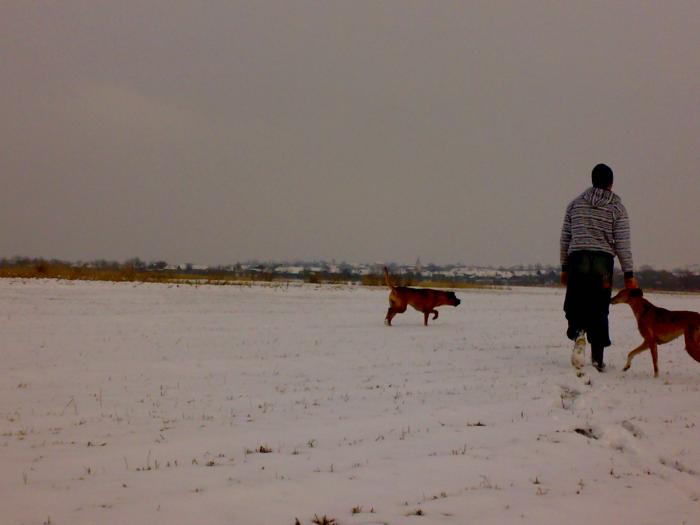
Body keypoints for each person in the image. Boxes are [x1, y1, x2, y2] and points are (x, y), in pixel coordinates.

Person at [560, 163, 638, 372]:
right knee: (599, 309)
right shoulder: (617, 208)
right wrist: (629, 274)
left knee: (575, 304)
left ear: (592, 180)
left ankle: (578, 334)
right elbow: (622, 244)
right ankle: (597, 359)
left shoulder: (575, 204)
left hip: (578, 260)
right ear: (611, 184)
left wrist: (565, 268)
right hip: (603, 264)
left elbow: (565, 238)